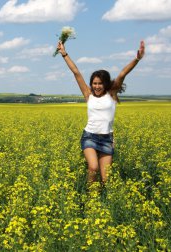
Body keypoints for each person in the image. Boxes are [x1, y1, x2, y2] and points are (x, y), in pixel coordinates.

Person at [57, 40, 145, 185]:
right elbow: (76, 72)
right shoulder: (88, 94)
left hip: (107, 139)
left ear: (106, 84)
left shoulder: (112, 95)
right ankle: (91, 199)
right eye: (94, 83)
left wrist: (137, 59)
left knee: (106, 179)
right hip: (89, 137)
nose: (97, 86)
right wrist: (64, 54)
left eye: (100, 83)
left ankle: (101, 202)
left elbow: (123, 74)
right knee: (93, 167)